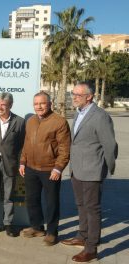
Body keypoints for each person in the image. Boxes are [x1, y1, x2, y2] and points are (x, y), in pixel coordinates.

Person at [61, 83, 118, 263]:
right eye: (73, 93)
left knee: (92, 209)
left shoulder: (100, 116)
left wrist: (105, 168)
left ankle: (91, 247)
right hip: (76, 169)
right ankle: (82, 235)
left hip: (92, 170)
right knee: (80, 205)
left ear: (89, 97)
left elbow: (110, 145)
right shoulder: (79, 112)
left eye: (78, 94)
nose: (74, 97)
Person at [19, 91, 71, 246]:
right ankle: (37, 227)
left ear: (49, 104)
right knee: (32, 199)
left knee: (51, 202)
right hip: (31, 168)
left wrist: (59, 168)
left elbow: (64, 148)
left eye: (42, 103)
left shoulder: (59, 122)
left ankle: (52, 232)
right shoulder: (31, 121)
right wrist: (22, 161)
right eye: (36, 104)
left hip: (50, 170)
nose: (39, 106)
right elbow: (27, 143)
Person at [0, 92, 25, 237]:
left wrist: (21, 162)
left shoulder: (19, 122)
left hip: (10, 164)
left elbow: (22, 146)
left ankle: (8, 223)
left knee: (9, 196)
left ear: (10, 105)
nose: (0, 107)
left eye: (3, 105)